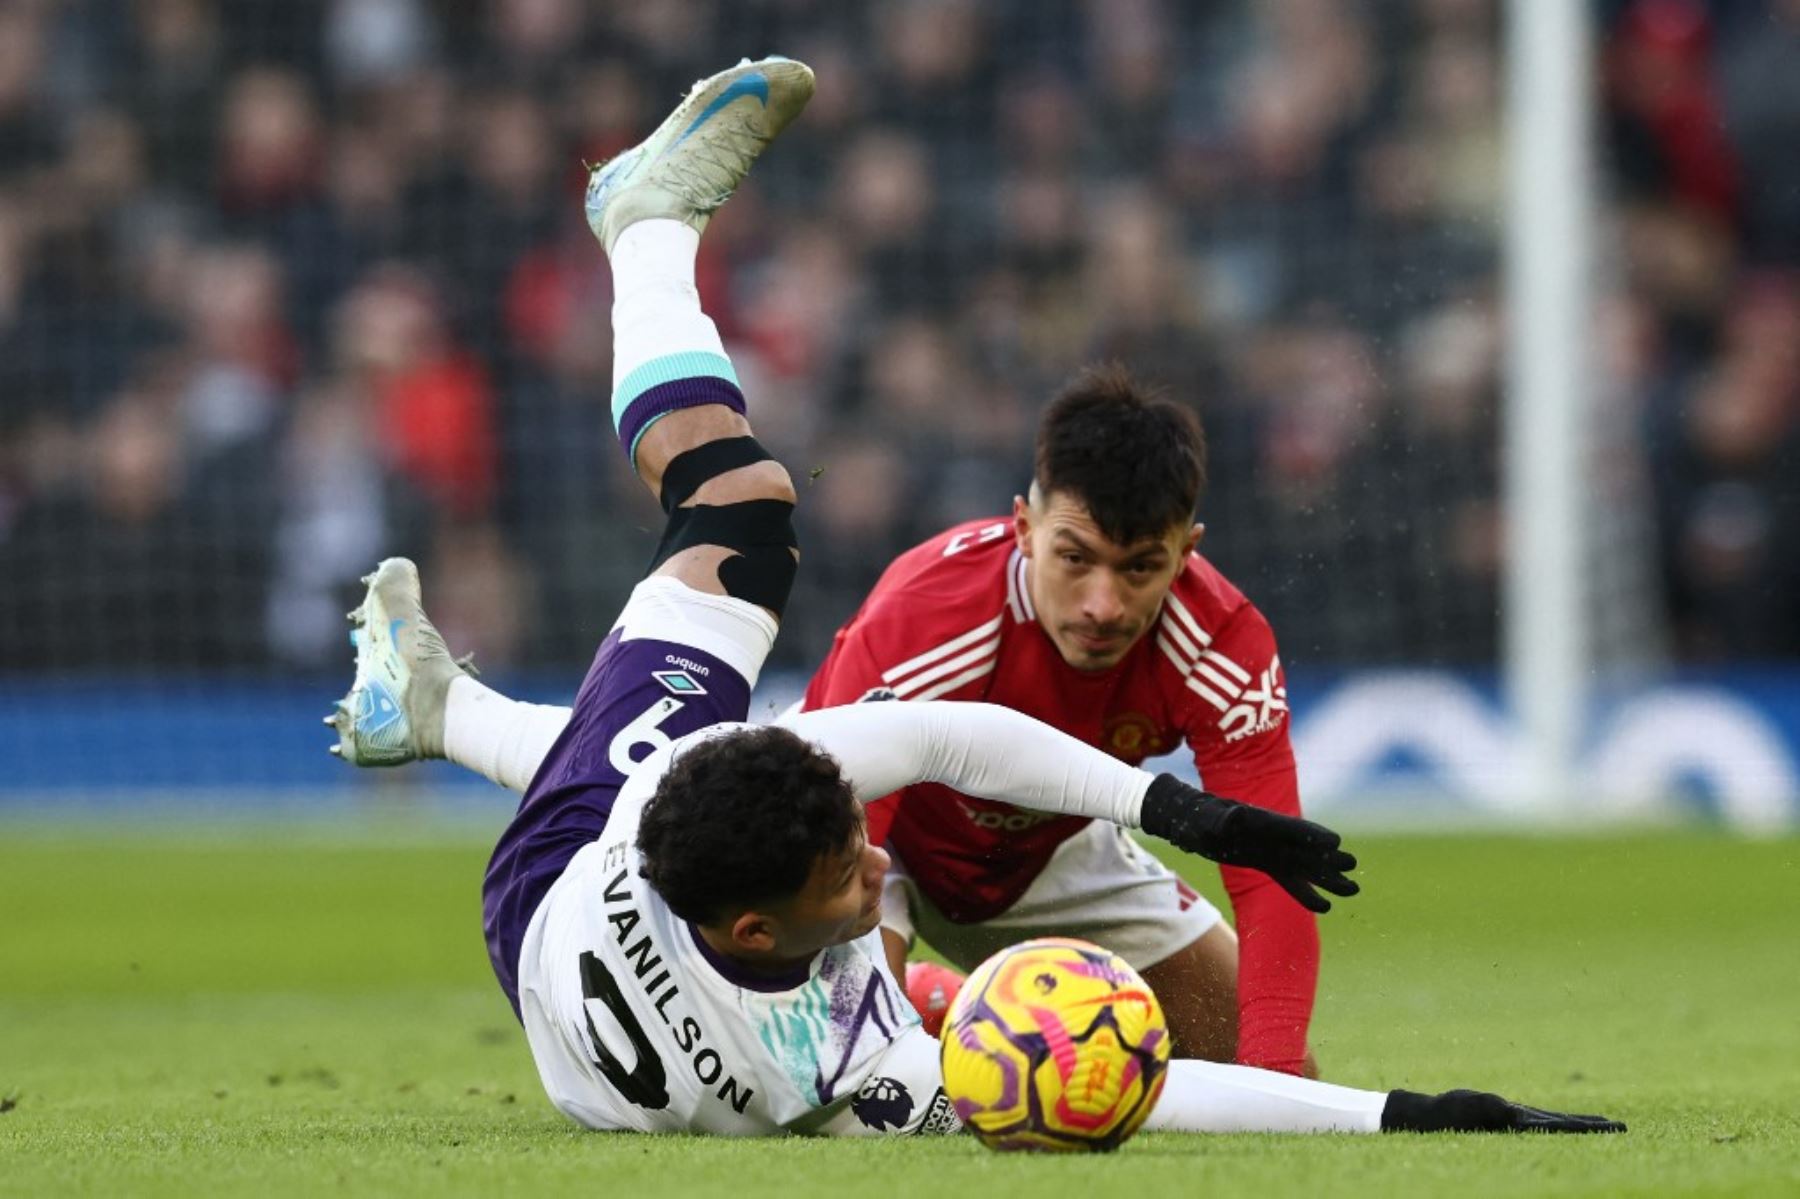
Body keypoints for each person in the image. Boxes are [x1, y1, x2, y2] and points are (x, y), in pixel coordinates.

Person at [328, 56, 1621, 1138]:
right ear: (1024, 522)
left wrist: (1189, 827)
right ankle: (646, 228)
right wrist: (1403, 1116)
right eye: (1076, 559)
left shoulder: (682, 816)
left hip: (582, 885)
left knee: (705, 623)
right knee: (745, 573)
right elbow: (899, 836)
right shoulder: (842, 1075)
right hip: (652, 927)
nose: (1109, 601)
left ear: (1188, 547)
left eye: (1143, 567)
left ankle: (442, 703)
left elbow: (911, 771)